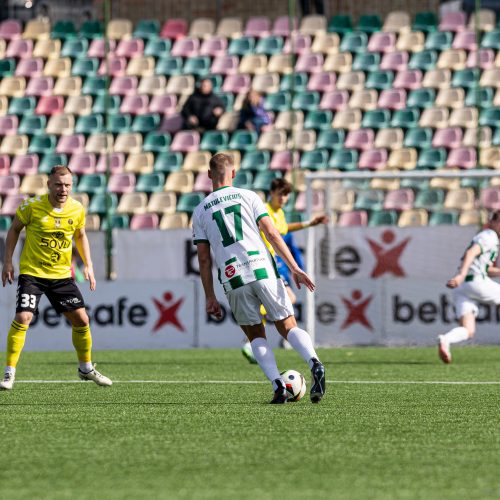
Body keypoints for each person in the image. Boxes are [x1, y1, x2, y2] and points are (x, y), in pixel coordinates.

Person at [192, 153, 326, 404]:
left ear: (209, 175)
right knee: (288, 325)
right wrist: (294, 267)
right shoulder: (249, 196)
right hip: (263, 268)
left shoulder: (200, 210)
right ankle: (314, 362)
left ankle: (277, 384)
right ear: (233, 173)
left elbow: (203, 259)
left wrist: (210, 296)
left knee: (255, 335)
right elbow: (272, 233)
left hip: (233, 277)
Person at [0, 166, 112, 390]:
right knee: (23, 318)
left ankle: (86, 368)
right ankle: (8, 373)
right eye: (59, 184)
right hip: (33, 273)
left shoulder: (77, 209)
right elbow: (13, 230)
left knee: (82, 320)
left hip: (61, 276)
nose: (63, 189)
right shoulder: (32, 206)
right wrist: (8, 261)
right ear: (49, 184)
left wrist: (88, 264)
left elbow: (80, 235)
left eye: (68, 185)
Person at [241, 178, 328, 362]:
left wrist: (309, 223)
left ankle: (255, 337)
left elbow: (283, 229)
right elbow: (269, 232)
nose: (283, 198)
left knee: (288, 299)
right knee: (288, 300)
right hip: (263, 261)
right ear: (272, 192)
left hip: (270, 261)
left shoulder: (278, 213)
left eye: (286, 194)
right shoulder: (263, 208)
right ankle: (260, 334)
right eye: (280, 193)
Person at [438, 210, 500, 364]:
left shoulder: (489, 237)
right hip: (474, 281)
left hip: (464, 287)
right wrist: (460, 275)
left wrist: (462, 276)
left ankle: (445, 340)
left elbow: (486, 269)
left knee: (468, 330)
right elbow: (471, 254)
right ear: (492, 222)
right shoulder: (489, 236)